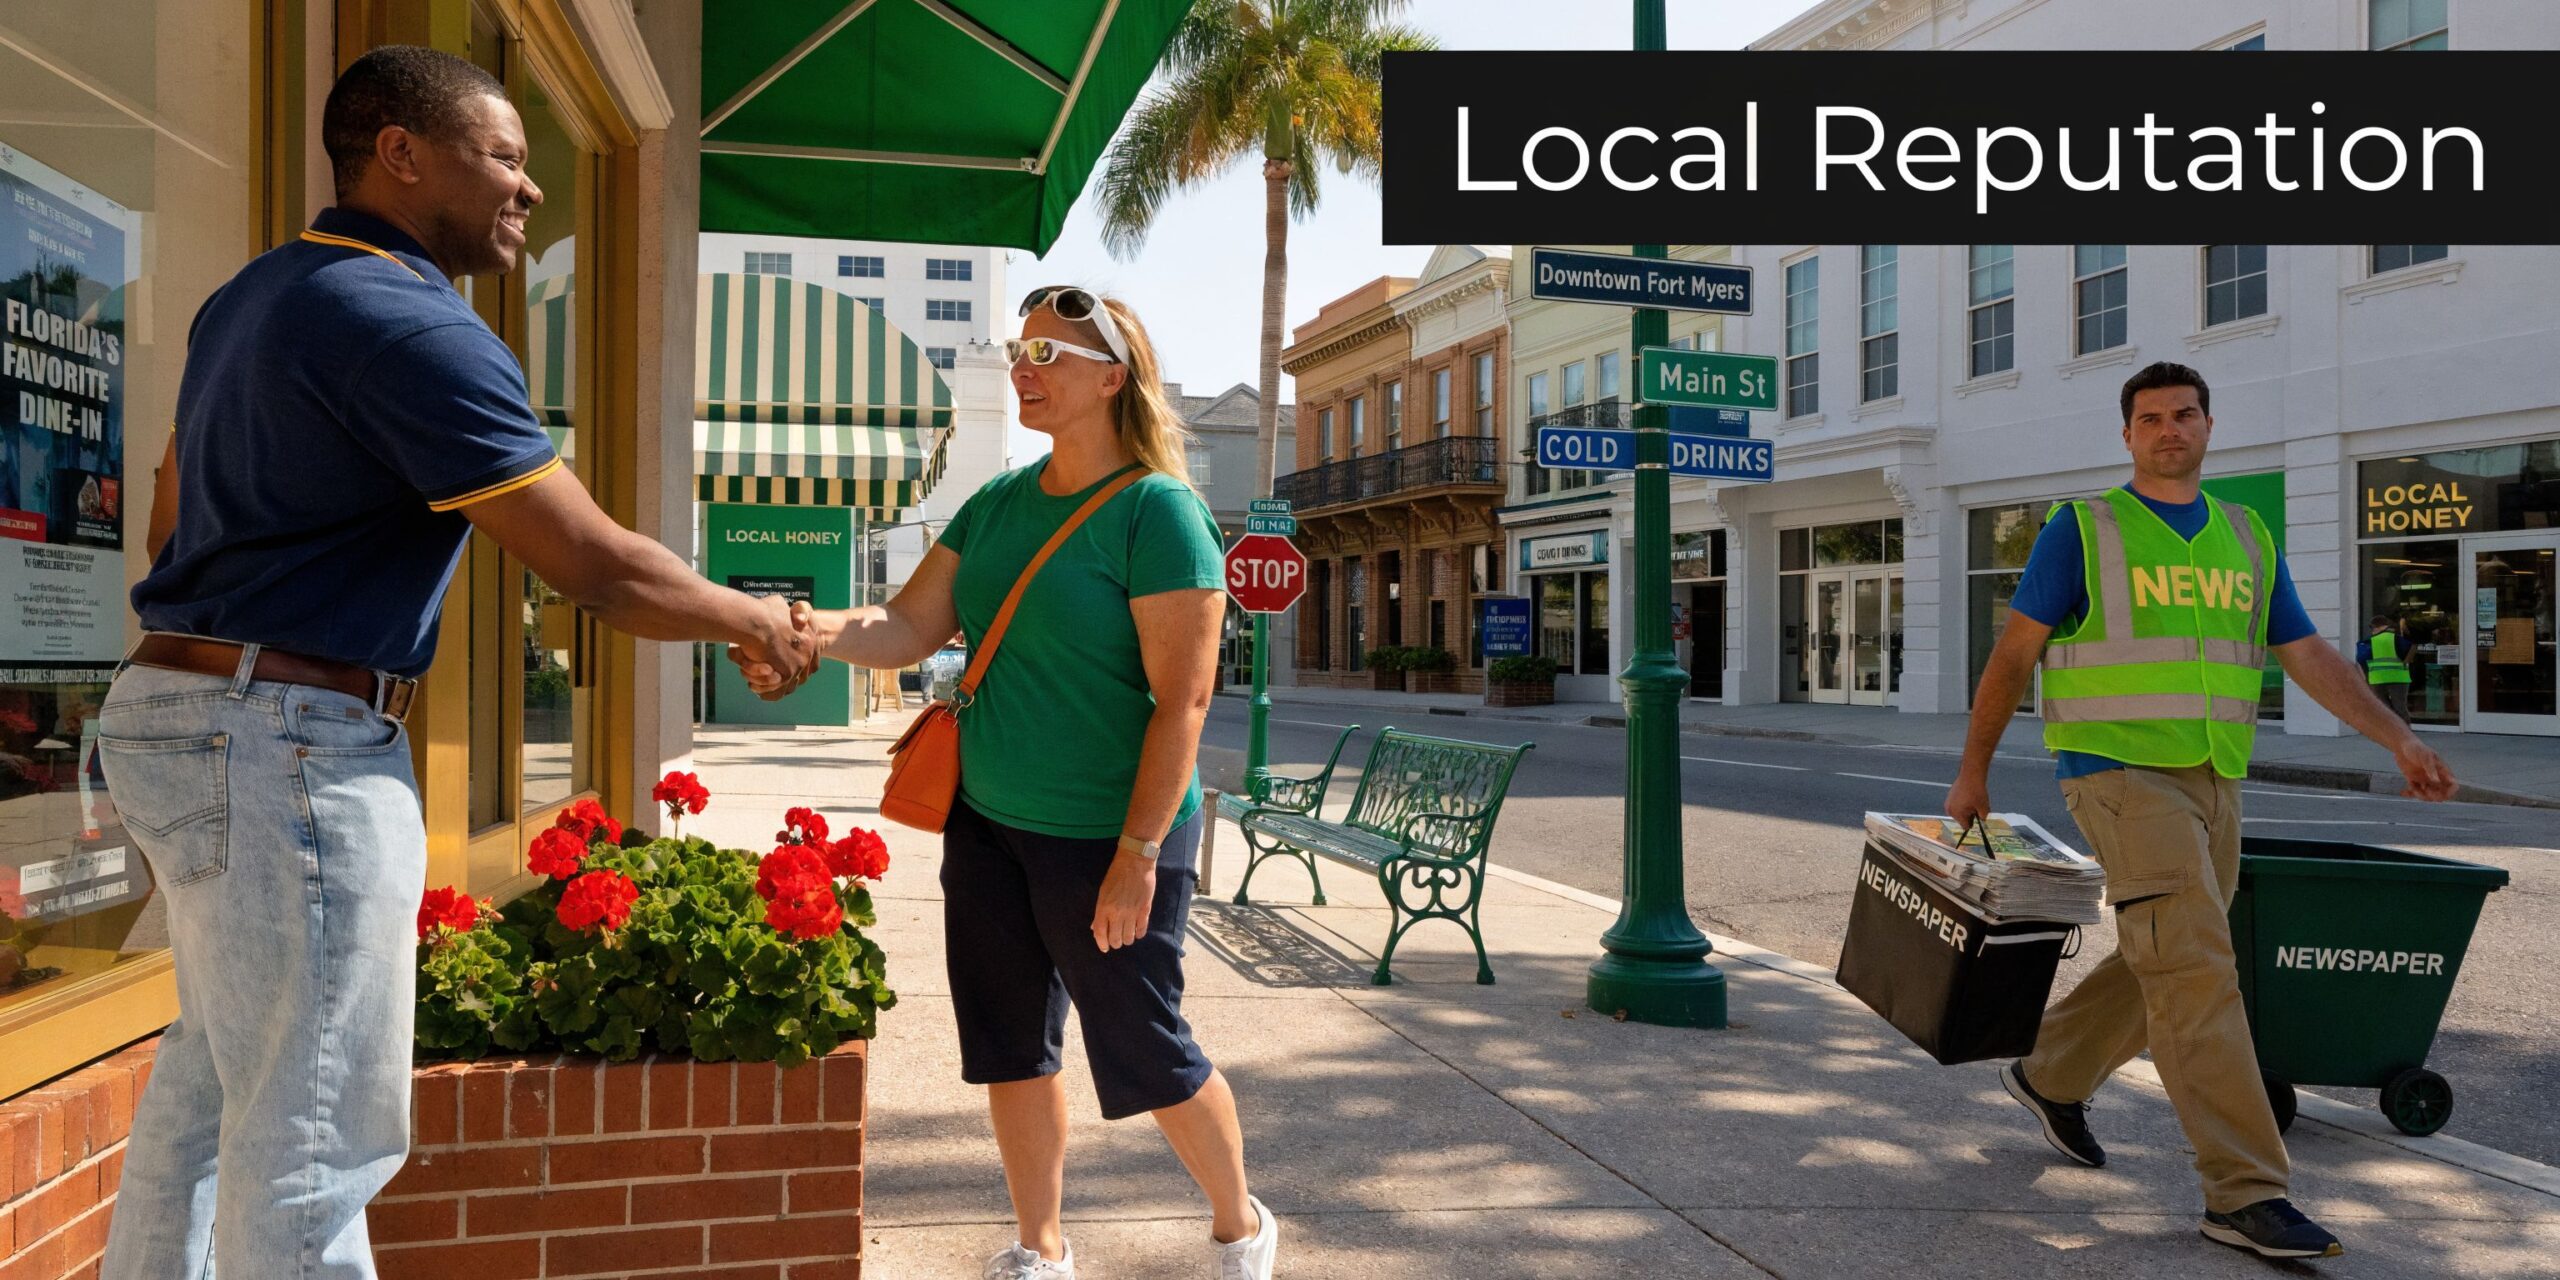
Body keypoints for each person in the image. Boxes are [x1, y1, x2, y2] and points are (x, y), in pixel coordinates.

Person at [100, 46, 819, 1280]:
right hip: (291, 739)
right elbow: (593, 563)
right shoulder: (404, 319)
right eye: (505, 157)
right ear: (400, 153)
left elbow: (169, 524)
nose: (530, 190)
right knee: (316, 1130)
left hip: (180, 709)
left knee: (213, 1088)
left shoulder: (254, 298)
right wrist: (750, 617)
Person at [736, 287, 1277, 1280]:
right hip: (988, 821)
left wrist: (1137, 858)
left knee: (1146, 1045)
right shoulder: (996, 503)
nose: (1023, 366)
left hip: (1112, 833)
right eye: (1019, 350)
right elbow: (906, 629)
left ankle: (1239, 1224)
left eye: (1049, 352)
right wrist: (801, 627)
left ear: (1113, 376)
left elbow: (1184, 706)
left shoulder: (1160, 514)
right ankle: (1041, 1243)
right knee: (1010, 1042)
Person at [1946, 361, 2458, 1262]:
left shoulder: (2246, 535)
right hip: (2117, 774)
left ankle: (2051, 1072)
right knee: (2196, 974)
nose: (2168, 429)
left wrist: (2397, 738)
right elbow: (2013, 656)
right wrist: (1973, 769)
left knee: (2172, 953)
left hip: (2215, 778)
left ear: (2209, 427)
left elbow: (2305, 656)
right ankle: (2244, 1191)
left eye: (2184, 414)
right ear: (2128, 436)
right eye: (2150, 418)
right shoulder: (2085, 529)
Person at [2358, 613, 2414, 723]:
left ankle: (2391, 731)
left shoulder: (2368, 641)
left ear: (2376, 627)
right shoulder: (2398, 639)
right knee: (2400, 708)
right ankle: (2405, 733)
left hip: (2377, 679)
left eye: (2372, 628)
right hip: (2398, 678)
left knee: (2384, 708)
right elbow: (2409, 655)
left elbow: (2361, 659)